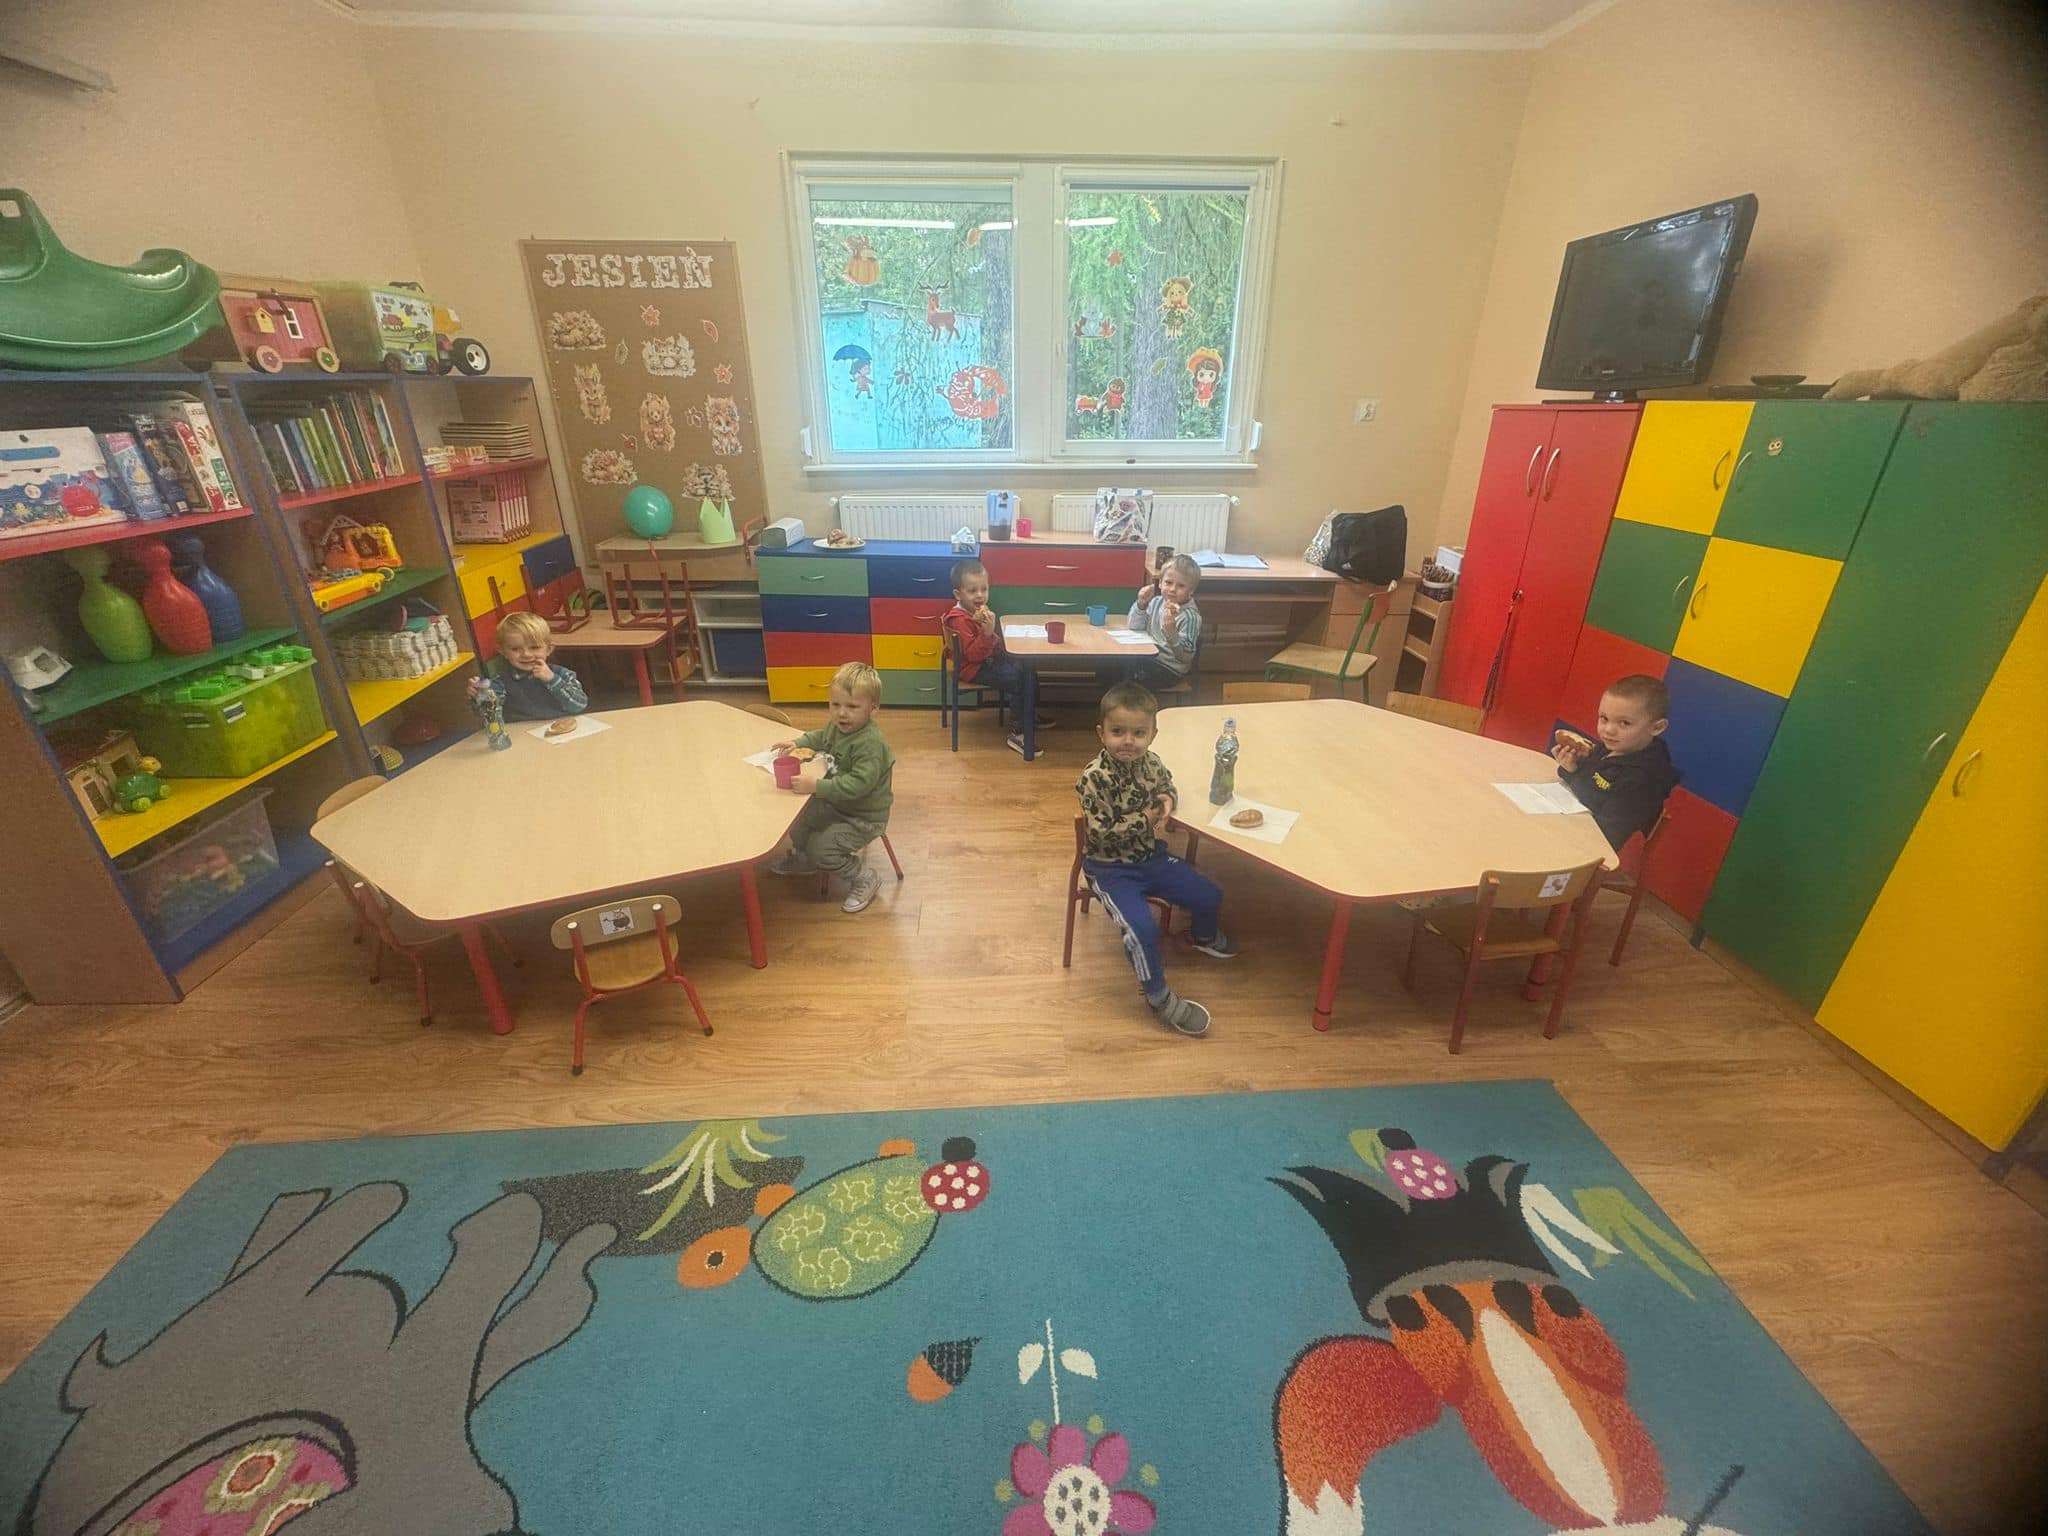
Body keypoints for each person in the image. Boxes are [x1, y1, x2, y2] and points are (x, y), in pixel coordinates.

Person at [1076, 681, 1237, 1037]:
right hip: (1109, 868)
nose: (1128, 741)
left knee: (1209, 894)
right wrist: (1148, 818)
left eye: (1138, 733)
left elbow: (1167, 784)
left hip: (1150, 857)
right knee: (1142, 930)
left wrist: (1167, 798)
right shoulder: (1094, 778)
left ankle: (1201, 937)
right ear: (1102, 733)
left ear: (1152, 735)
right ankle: (1158, 997)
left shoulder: (1152, 763)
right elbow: (1101, 834)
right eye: (1118, 732)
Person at [768, 661, 895, 913]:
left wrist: (817, 786)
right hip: (837, 805)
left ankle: (863, 877)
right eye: (835, 705)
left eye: (852, 706)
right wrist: (798, 742)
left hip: (862, 817)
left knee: (822, 849)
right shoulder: (838, 727)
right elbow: (821, 736)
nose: (841, 714)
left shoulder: (870, 744)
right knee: (798, 819)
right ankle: (806, 860)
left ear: (873, 708)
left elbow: (858, 786)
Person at [1550, 673, 1682, 850]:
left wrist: (1574, 777)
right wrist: (1570, 768)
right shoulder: (1613, 747)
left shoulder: (1643, 779)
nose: (1609, 730)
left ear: (1657, 727)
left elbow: (1607, 835)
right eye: (1604, 718)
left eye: (1624, 723)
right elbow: (1589, 781)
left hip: (1592, 849)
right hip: (1574, 826)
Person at [941, 559, 1052, 757]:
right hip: (972, 668)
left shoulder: (976, 611)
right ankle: (1018, 733)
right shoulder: (959, 620)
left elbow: (990, 647)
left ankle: (1028, 715)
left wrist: (995, 640)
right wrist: (988, 633)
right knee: (1019, 679)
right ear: (958, 594)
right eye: (972, 591)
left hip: (987, 660)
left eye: (984, 589)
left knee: (1028, 670)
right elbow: (973, 656)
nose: (980, 595)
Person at [467, 611, 587, 720]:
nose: (526, 654)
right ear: (503, 652)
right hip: (523, 733)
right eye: (515, 649)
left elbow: (579, 705)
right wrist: (480, 695)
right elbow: (490, 714)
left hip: (564, 728)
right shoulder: (500, 681)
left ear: (549, 649)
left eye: (534, 647)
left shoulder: (563, 674)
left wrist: (552, 680)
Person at [1126, 553, 1203, 692]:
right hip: (1148, 656)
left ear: (1191, 591)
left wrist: (1172, 633)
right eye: (1168, 583)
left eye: (1181, 586)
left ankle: (1134, 703)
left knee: (1125, 678)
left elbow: (1186, 657)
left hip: (1169, 668)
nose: (1173, 589)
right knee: (1109, 667)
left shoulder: (1190, 617)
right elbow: (1134, 627)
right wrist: (1141, 604)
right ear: (1160, 583)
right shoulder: (1156, 602)